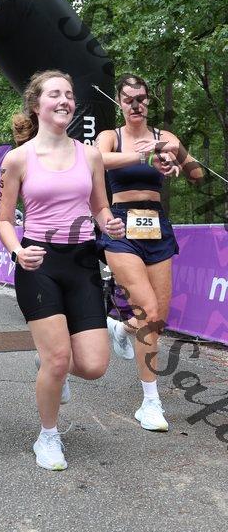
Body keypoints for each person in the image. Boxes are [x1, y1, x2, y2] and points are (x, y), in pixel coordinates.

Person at [0, 69, 125, 471]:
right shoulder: (18, 159)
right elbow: (4, 219)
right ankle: (48, 436)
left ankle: (53, 363)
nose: (65, 100)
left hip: (82, 262)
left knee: (93, 366)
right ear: (36, 104)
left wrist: (110, 223)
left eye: (69, 94)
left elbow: (99, 206)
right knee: (56, 358)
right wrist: (18, 251)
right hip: (39, 262)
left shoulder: (90, 155)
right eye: (55, 94)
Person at [96, 73, 203, 432]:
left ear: (148, 101)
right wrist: (143, 153)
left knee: (156, 320)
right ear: (120, 103)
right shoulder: (111, 137)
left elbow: (197, 174)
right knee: (148, 309)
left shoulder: (164, 137)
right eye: (128, 99)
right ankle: (150, 402)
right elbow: (96, 160)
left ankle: (122, 327)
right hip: (121, 227)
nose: (136, 105)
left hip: (157, 226)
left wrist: (175, 156)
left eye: (141, 98)